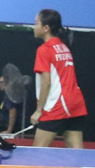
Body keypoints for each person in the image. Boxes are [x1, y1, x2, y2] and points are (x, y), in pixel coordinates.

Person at [31, 8, 85, 148]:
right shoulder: (64, 47)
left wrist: (39, 110)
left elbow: (46, 82)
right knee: (77, 154)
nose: (33, 27)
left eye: (36, 23)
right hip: (75, 103)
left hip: (57, 105)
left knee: (36, 153)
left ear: (46, 28)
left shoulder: (44, 50)